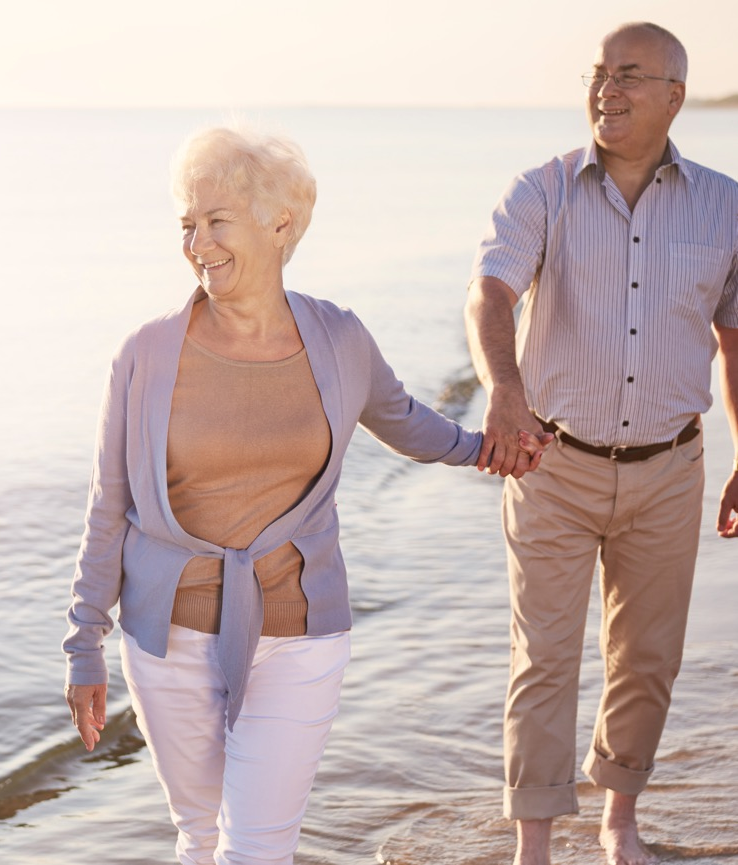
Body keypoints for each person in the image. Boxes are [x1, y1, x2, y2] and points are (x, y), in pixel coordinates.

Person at [63, 124, 544, 865]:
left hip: (300, 628)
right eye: (187, 225)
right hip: (167, 632)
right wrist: (84, 644)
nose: (197, 244)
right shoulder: (144, 353)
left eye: (216, 221)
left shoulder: (338, 337)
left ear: (279, 223)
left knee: (256, 846)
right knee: (198, 836)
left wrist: (490, 448)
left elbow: (406, 422)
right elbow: (109, 504)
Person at [464, 21, 738, 865]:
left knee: (646, 657)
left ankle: (618, 825)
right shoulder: (539, 189)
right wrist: (502, 390)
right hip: (550, 464)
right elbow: (488, 295)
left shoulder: (726, 205)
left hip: (669, 468)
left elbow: (734, 338)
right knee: (542, 658)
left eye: (628, 74)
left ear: (672, 96)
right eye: (597, 73)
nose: (606, 89)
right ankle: (534, 846)